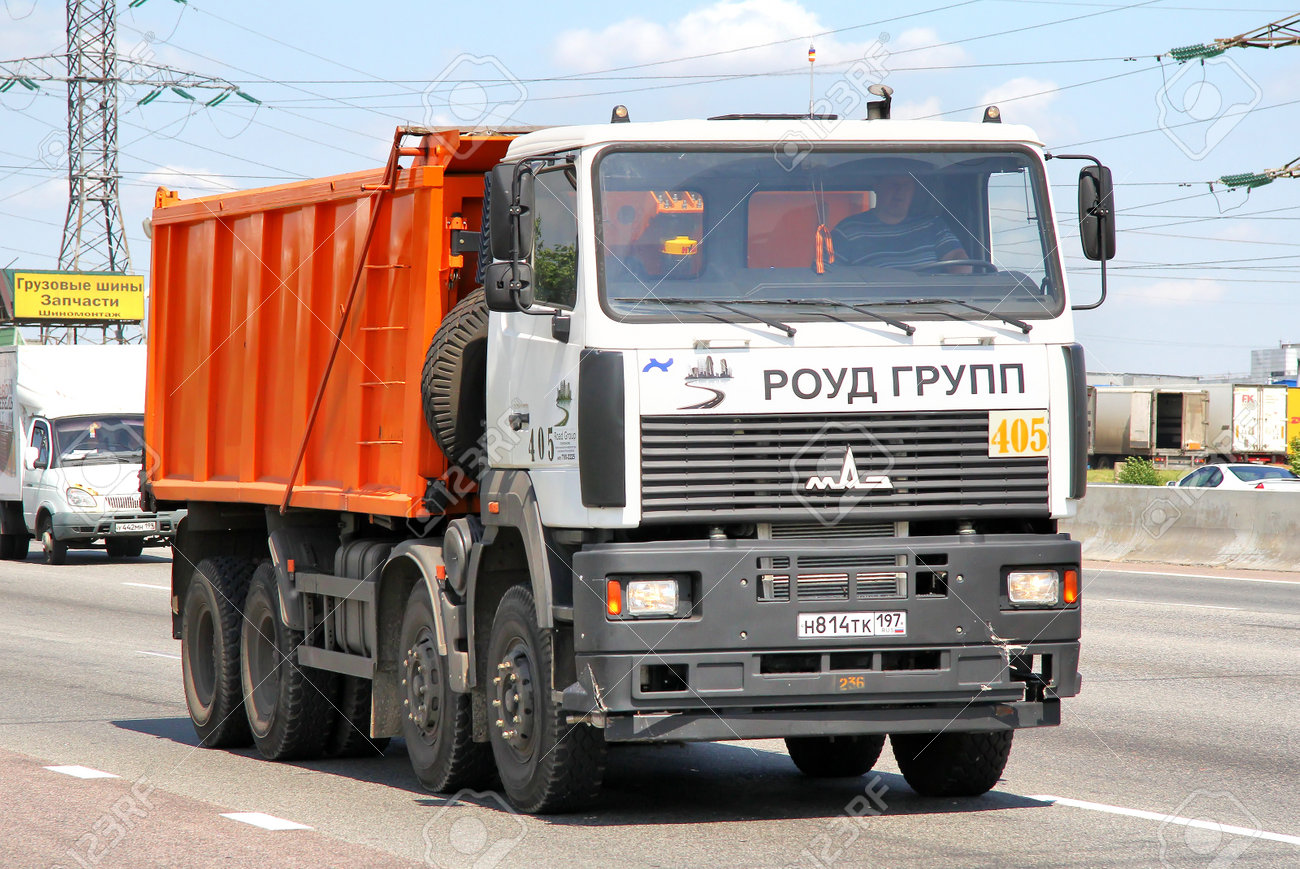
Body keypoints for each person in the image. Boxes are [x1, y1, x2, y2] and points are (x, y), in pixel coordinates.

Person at [831, 174, 971, 272]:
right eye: (894, 185)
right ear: (877, 186)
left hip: (932, 309)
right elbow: (829, 277)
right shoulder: (848, 230)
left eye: (906, 185)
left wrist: (961, 277)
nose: (901, 191)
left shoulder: (932, 225)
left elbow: (957, 258)